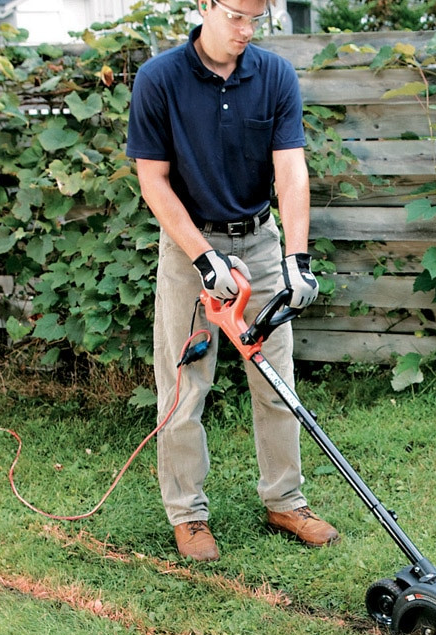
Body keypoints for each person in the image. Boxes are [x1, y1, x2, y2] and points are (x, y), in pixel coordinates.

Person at [126, 0, 338, 561]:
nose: (247, 30)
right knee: (184, 386)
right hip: (189, 248)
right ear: (204, 6)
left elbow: (290, 170)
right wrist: (202, 258)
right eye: (237, 16)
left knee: (277, 380)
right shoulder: (159, 79)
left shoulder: (273, 75)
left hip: (261, 243)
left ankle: (285, 500)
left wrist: (297, 258)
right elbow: (154, 181)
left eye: (257, 18)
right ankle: (189, 515)